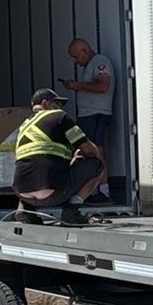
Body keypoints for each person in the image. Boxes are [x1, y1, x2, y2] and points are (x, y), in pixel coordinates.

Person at [11, 87, 105, 225]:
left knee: (31, 169)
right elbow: (90, 151)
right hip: (53, 194)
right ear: (45, 103)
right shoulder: (59, 117)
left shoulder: (23, 127)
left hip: (22, 193)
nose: (61, 108)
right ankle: (71, 211)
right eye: (57, 103)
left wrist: (70, 160)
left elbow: (38, 158)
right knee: (97, 165)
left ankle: (25, 210)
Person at [57, 38, 113, 203]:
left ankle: (102, 191)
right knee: (94, 151)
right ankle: (97, 190)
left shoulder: (100, 62)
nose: (76, 61)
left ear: (84, 51)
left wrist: (77, 86)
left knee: (96, 151)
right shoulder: (90, 66)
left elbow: (103, 86)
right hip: (90, 114)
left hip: (96, 114)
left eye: (76, 57)